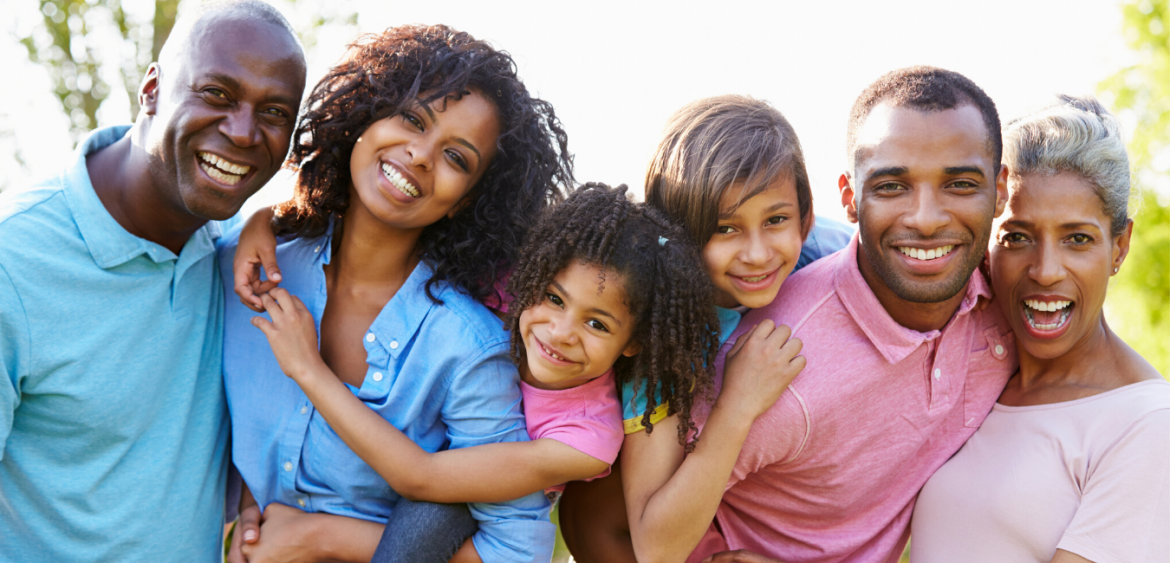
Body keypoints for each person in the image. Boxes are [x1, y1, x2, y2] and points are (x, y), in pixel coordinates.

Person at [218, 24, 574, 563]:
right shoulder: (244, 270)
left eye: (457, 158)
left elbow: (517, 549)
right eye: (411, 118)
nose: (422, 154)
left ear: (467, 201)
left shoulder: (466, 347)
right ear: (365, 115)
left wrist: (324, 538)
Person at [253, 183, 723, 562]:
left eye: (597, 323)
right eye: (555, 299)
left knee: (438, 512)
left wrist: (308, 369)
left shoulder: (587, 439)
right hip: (400, 494)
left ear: (634, 343)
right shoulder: (498, 296)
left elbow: (422, 478)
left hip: (479, 537)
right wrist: (263, 219)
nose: (560, 332)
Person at [670, 66, 1017, 563]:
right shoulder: (770, 359)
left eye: (959, 184)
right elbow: (618, 517)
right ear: (851, 198)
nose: (925, 218)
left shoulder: (1009, 304)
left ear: (1000, 190)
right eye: (893, 186)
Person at [0, 2, 305, 561]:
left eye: (275, 112)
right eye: (216, 93)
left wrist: (247, 496)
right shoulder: (12, 260)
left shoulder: (237, 253)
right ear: (151, 90)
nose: (242, 132)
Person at [555, 95, 854, 563]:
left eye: (776, 220)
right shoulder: (662, 339)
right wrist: (738, 404)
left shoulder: (828, 254)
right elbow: (654, 547)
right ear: (680, 235)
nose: (757, 253)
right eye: (725, 229)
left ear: (805, 215)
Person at [910, 95, 1169, 563]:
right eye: (1017, 237)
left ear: (1119, 246)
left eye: (1077, 239)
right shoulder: (975, 382)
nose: (1046, 270)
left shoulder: (1147, 423)